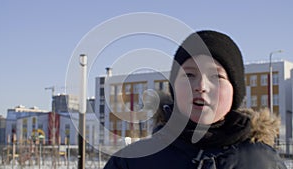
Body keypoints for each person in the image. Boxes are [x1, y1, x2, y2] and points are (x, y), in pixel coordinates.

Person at [104, 30, 287, 169]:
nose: (201, 86)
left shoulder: (264, 162)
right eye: (189, 74)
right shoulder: (131, 162)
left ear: (235, 91)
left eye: (216, 76)